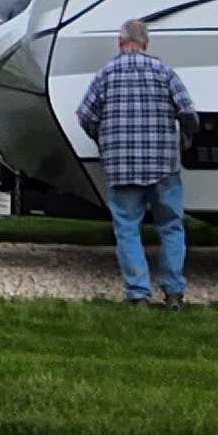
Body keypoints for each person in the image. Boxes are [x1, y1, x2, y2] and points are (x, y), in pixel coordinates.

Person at [76, 16, 193, 306]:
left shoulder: (106, 73)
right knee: (171, 226)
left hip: (121, 165)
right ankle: (174, 292)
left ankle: (139, 293)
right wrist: (185, 138)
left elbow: (85, 115)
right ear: (146, 42)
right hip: (163, 164)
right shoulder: (163, 71)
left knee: (128, 227)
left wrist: (102, 139)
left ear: (120, 42)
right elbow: (188, 112)